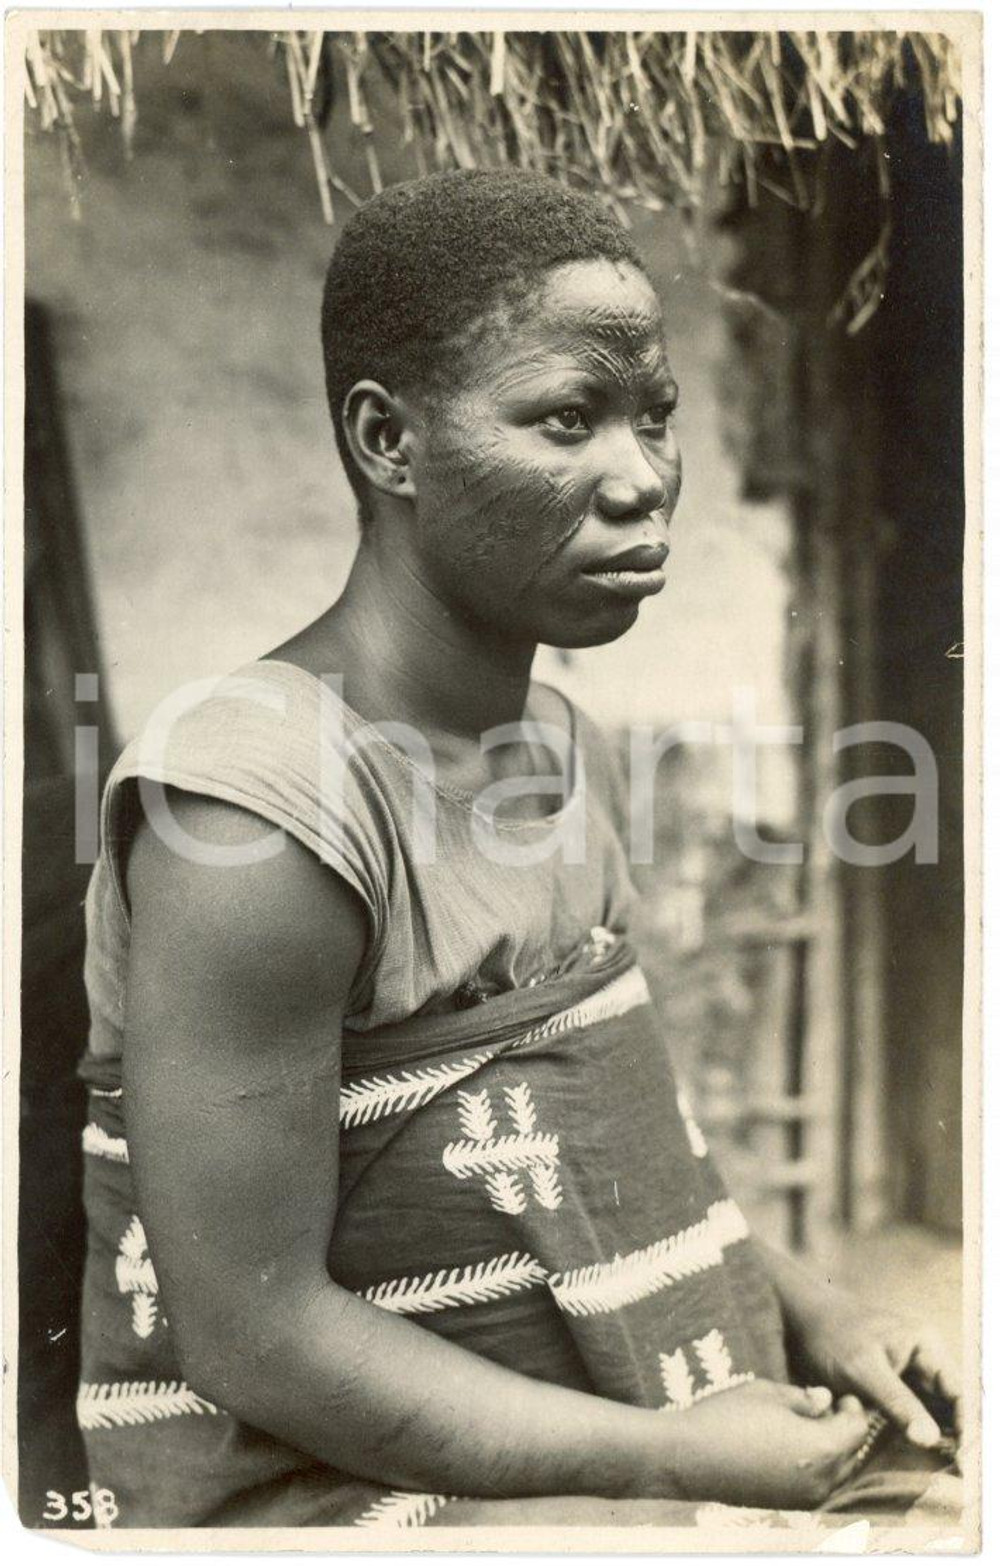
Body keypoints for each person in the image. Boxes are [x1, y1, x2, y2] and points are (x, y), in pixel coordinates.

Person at [76, 169, 962, 1533]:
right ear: (389, 440)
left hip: (591, 1444)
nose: (641, 478)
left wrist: (820, 1311)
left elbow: (600, 1170)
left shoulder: (556, 742)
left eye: (653, 414)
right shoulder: (253, 815)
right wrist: (670, 1454)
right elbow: (252, 1338)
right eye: (566, 419)